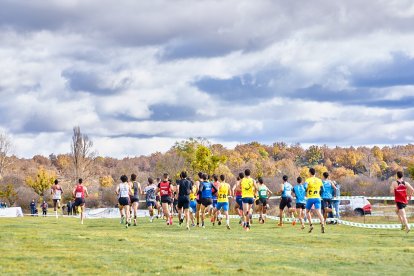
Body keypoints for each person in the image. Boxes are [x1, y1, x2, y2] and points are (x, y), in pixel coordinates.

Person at [304, 168, 325, 233]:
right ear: (315, 173)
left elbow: (305, 187)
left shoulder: (308, 180)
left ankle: (311, 225)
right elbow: (323, 189)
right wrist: (320, 194)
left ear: (310, 173)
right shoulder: (319, 180)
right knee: (319, 212)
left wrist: (306, 190)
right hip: (317, 198)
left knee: (307, 212)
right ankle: (322, 224)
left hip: (310, 198)